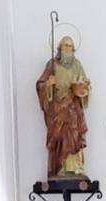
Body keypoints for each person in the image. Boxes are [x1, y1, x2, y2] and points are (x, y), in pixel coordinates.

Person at [36, 36, 90, 178]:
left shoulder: (77, 65)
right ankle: (61, 167)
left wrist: (82, 89)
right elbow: (41, 84)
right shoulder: (52, 65)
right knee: (61, 137)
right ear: (60, 48)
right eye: (65, 45)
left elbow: (85, 85)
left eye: (70, 46)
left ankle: (75, 167)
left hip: (73, 108)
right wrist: (48, 84)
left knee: (74, 135)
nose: (68, 49)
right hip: (58, 110)